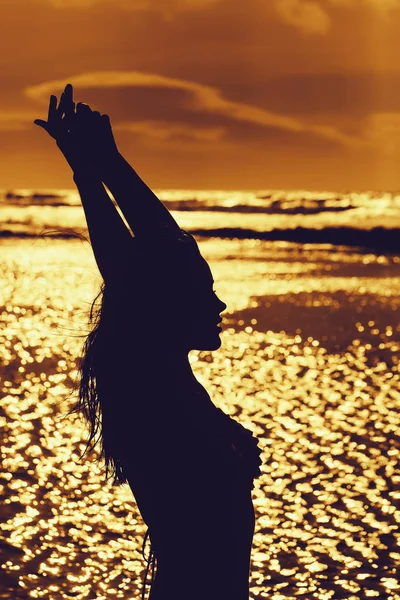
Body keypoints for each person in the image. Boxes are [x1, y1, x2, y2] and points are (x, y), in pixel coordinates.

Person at [34, 84, 263, 600]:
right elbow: (150, 266)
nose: (220, 305)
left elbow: (166, 255)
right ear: (165, 311)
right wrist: (98, 172)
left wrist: (103, 168)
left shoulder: (161, 382)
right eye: (206, 294)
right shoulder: (154, 393)